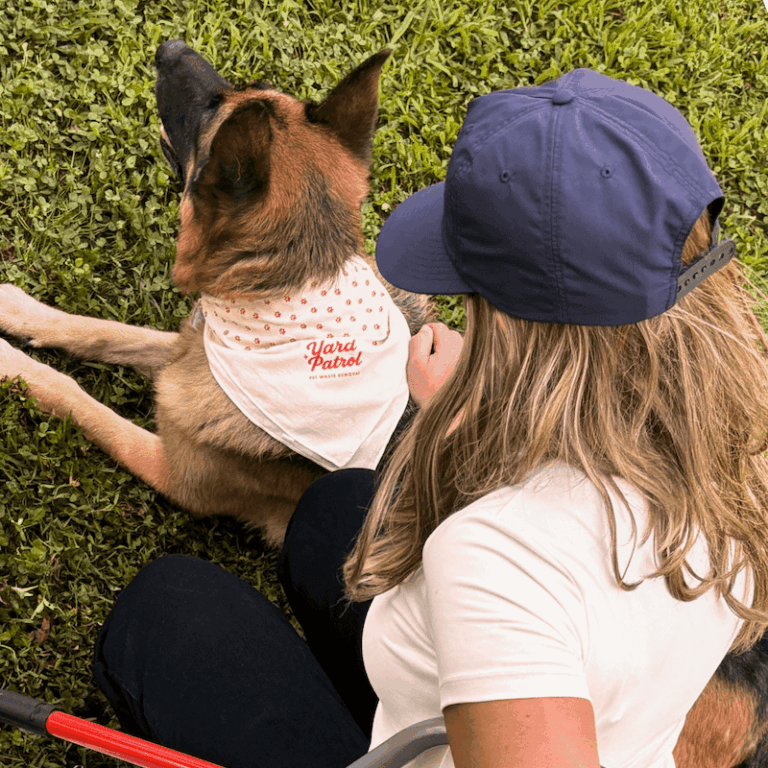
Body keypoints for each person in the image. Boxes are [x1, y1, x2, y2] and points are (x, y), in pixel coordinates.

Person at [92, 68, 768, 768]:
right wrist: (473, 423)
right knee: (335, 510)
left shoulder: (501, 560)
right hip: (604, 716)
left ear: (521, 332)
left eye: (470, 294)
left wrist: (450, 443)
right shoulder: (741, 437)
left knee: (165, 609)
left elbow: (524, 572)